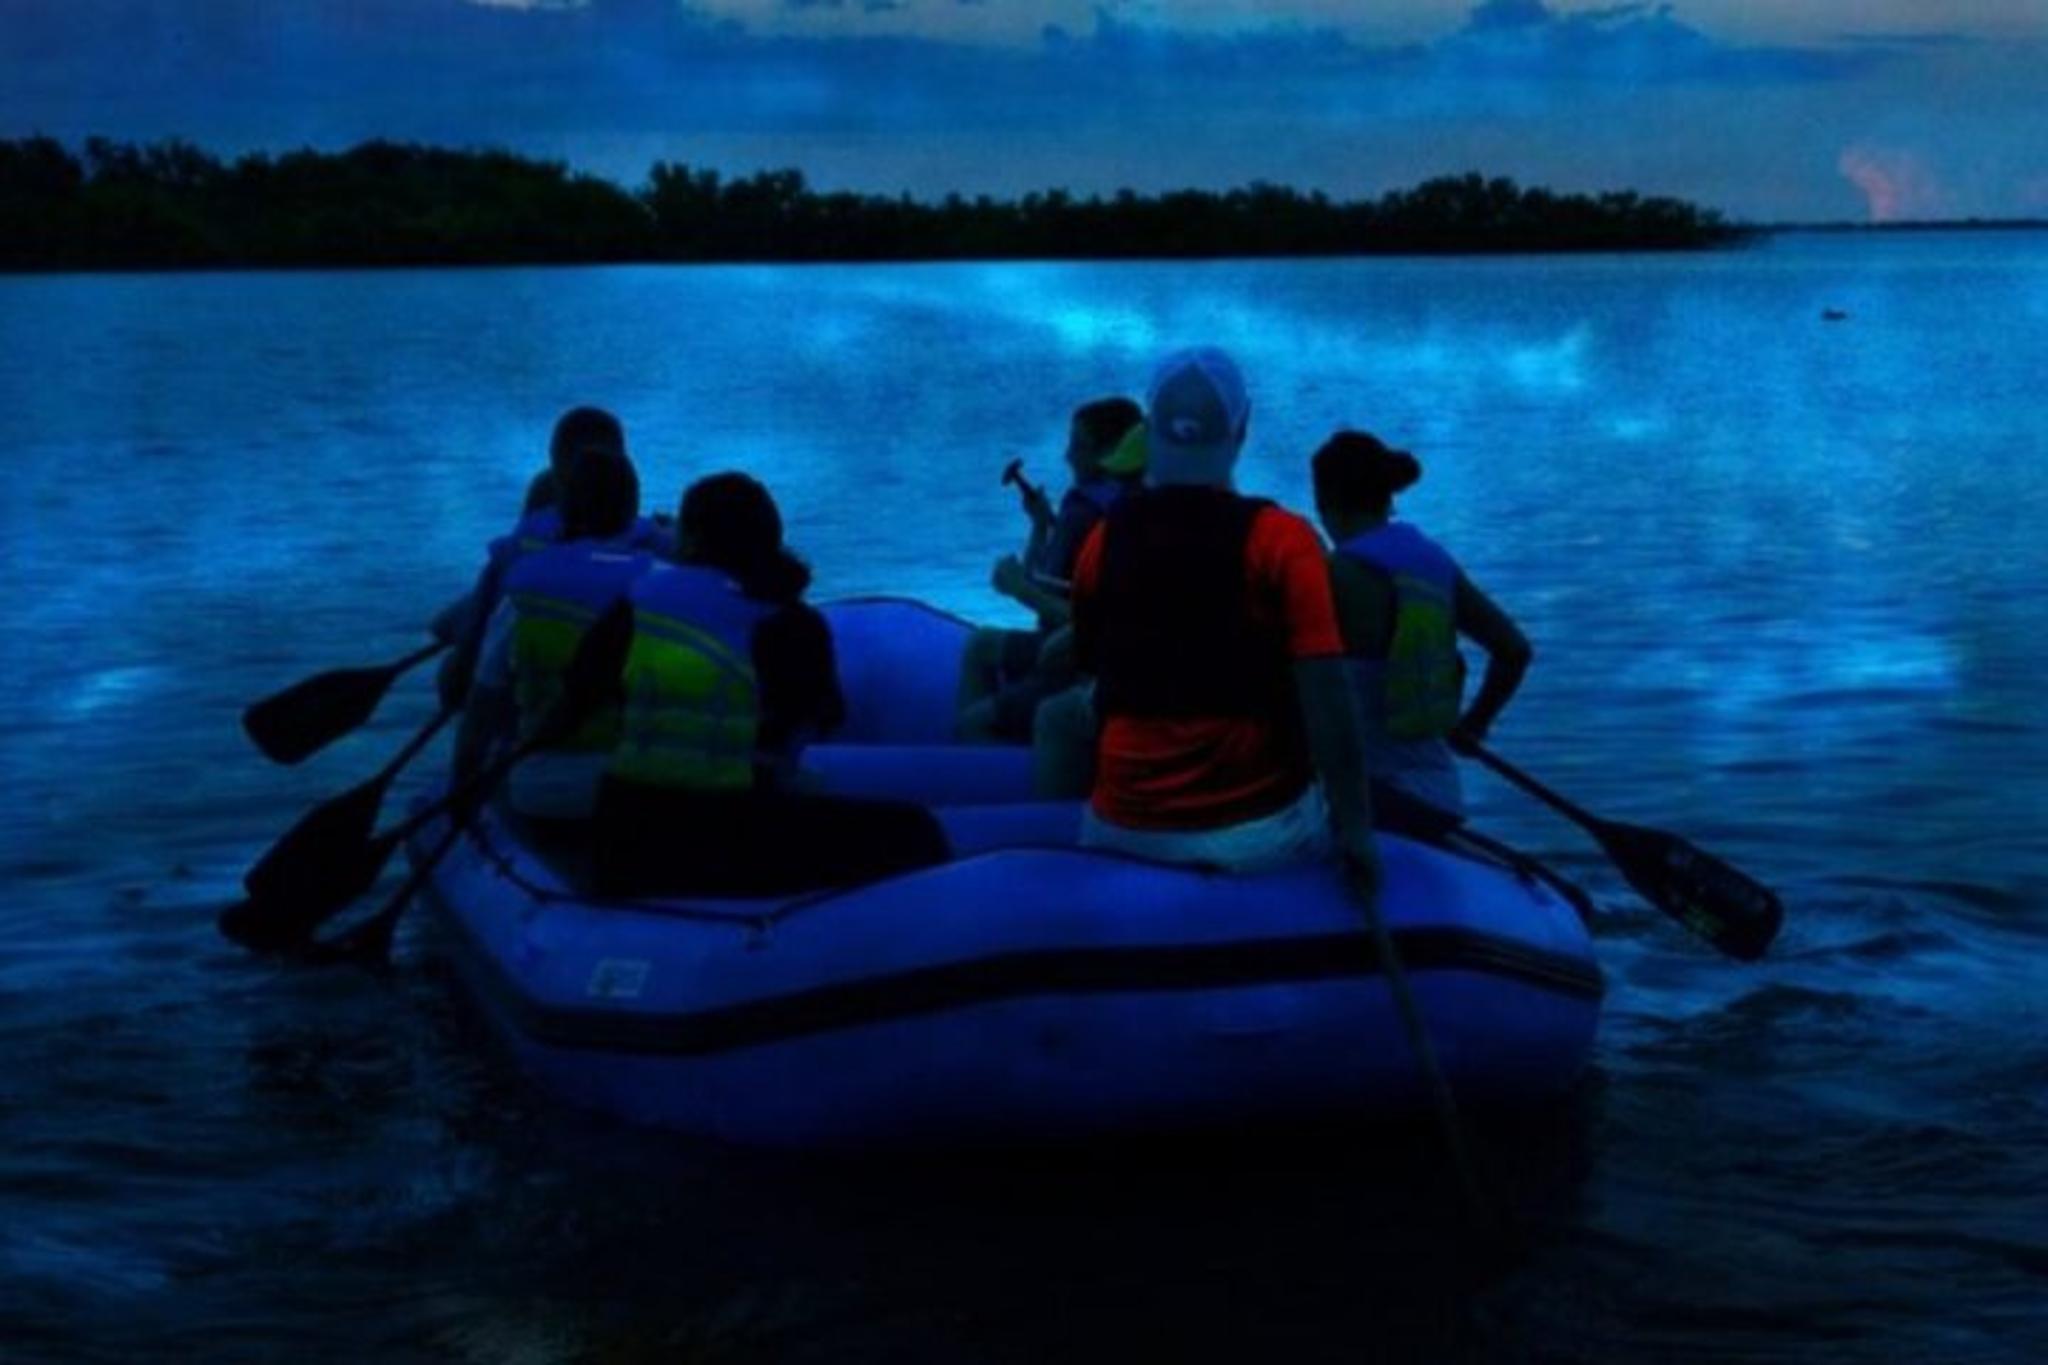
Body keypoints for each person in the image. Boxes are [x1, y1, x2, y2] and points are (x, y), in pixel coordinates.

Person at [1069, 347, 1378, 896]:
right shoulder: (1283, 539)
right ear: (1242, 429)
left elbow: (1092, 668)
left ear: (1152, 433)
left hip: (1117, 826)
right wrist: (1357, 832)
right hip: (1251, 832)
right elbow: (1328, 699)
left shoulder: (1103, 537)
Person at [596, 473, 947, 896]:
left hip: (626, 833)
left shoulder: (637, 604)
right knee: (916, 831)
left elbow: (592, 695)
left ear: (689, 542)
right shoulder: (794, 623)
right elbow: (818, 722)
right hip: (736, 835)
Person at [1312, 431, 1532, 820]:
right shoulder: (1431, 562)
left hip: (1369, 798)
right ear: (1386, 498)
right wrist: (1473, 725)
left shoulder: (1333, 575)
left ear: (1325, 501)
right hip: (1439, 796)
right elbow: (1514, 651)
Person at [453, 445, 657, 824]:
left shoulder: (522, 594)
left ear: (563, 511)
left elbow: (479, 714)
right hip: (640, 787)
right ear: (633, 511)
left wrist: (460, 794)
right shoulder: (664, 588)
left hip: (543, 791)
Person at [438, 406, 673, 709]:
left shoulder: (522, 547)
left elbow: (446, 629)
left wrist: (463, 658)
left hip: (531, 699)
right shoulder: (650, 543)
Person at [957, 397, 1144, 742]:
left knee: (971, 718)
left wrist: (1018, 588)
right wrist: (1040, 525)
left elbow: (1075, 617)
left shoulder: (1084, 514)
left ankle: (983, 768)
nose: (1067, 455)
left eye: (1078, 445)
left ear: (1109, 453)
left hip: (1077, 665)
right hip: (1082, 654)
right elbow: (1051, 584)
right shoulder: (1126, 506)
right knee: (982, 642)